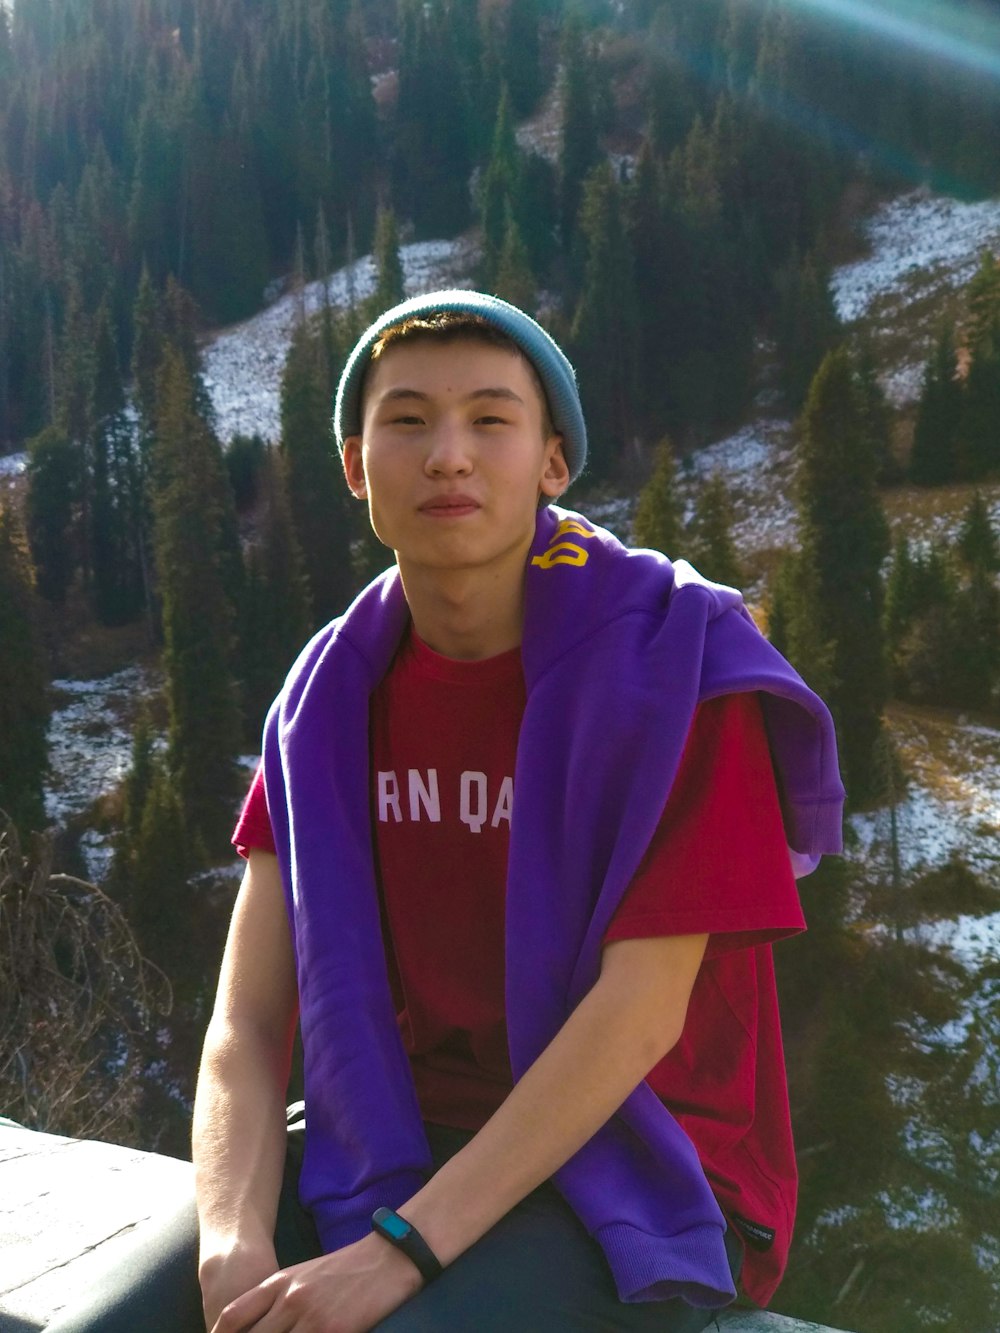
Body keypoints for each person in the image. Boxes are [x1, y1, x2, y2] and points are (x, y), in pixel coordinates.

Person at [192, 289, 845, 1333]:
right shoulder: (325, 699)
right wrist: (231, 1242)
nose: (448, 455)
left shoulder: (675, 668)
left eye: (490, 419)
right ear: (356, 465)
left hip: (645, 1164)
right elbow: (248, 1020)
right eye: (406, 420)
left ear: (551, 462)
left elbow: (638, 1013)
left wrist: (399, 1250)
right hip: (394, 1134)